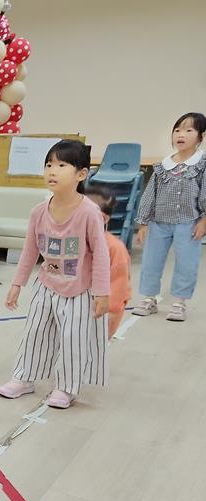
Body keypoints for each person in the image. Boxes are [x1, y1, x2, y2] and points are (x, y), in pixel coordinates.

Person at [0, 141, 110, 409]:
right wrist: (17, 284)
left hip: (79, 290)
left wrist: (102, 293)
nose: (52, 170)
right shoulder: (39, 211)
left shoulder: (89, 212)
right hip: (46, 284)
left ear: (81, 174)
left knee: (73, 339)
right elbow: (29, 250)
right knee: (35, 332)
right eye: (48, 164)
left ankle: (66, 387)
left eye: (61, 165)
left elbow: (101, 254)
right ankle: (24, 377)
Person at [133, 112, 206, 322]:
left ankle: (179, 303)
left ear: (201, 136)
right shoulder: (163, 166)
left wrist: (204, 221)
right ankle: (149, 299)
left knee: (187, 263)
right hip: (158, 223)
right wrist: (144, 222)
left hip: (188, 223)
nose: (180, 134)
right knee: (151, 261)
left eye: (188, 130)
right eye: (177, 130)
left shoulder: (201, 164)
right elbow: (150, 194)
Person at [86, 185, 132, 339]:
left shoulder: (114, 247)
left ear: (104, 218)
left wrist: (109, 320)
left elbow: (118, 288)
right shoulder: (73, 241)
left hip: (100, 313)